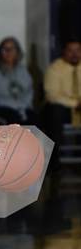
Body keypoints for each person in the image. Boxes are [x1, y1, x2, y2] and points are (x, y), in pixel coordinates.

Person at [0, 37, 35, 125]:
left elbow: (29, 92)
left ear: (17, 52)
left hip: (21, 107)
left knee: (34, 118)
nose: (8, 52)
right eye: (5, 49)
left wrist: (21, 105)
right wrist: (11, 104)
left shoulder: (22, 71)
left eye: (11, 49)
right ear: (0, 52)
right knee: (13, 118)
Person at [44, 39, 81, 170]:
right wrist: (75, 103)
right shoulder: (55, 68)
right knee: (53, 111)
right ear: (64, 52)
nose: (75, 54)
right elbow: (52, 95)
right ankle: (54, 161)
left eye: (78, 50)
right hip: (64, 108)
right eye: (71, 51)